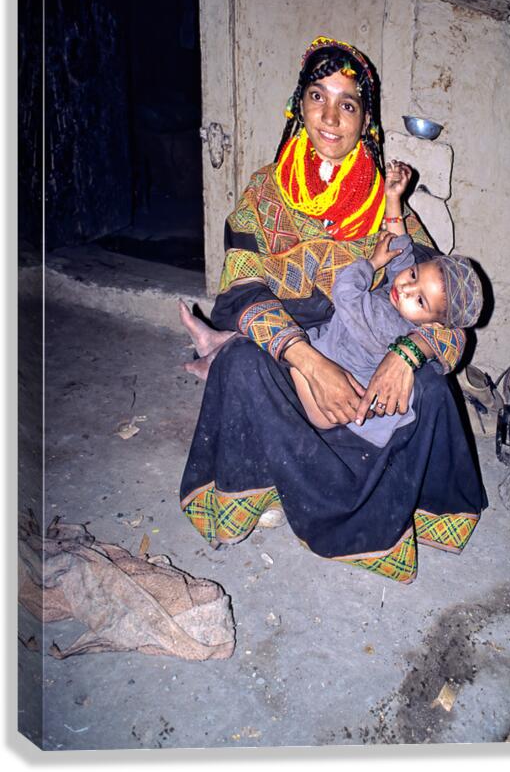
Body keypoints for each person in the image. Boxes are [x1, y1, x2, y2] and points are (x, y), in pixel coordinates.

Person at [180, 35, 486, 583]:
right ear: (299, 104)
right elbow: (242, 290)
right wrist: (309, 361)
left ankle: (389, 514)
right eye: (318, 96)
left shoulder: (384, 208)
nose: (329, 117)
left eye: (347, 104)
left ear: (365, 119)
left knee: (433, 391)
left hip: (368, 367)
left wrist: (408, 353)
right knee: (239, 366)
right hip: (294, 358)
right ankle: (258, 486)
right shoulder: (265, 194)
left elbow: (448, 313)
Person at [179, 161, 484, 450]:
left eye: (419, 299)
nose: (404, 287)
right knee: (273, 332)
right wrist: (393, 198)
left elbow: (346, 291)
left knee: (282, 348)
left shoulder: (385, 320)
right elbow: (401, 251)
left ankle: (217, 361)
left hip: (334, 402)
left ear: (432, 323)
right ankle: (216, 343)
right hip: (333, 342)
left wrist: (372, 262)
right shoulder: (272, 185)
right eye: (414, 275)